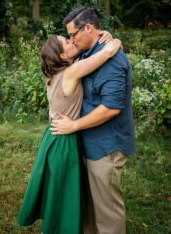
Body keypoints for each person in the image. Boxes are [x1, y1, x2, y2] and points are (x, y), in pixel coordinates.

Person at [17, 32, 121, 234]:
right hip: (63, 141)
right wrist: (115, 39)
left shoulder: (52, 75)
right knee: (65, 196)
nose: (71, 40)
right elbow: (109, 51)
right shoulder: (71, 72)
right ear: (63, 56)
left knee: (59, 192)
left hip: (52, 137)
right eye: (66, 41)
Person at [51, 6, 136, 234]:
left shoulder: (113, 62)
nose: (71, 40)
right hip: (88, 142)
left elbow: (110, 108)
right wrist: (107, 36)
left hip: (106, 146)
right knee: (89, 208)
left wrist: (74, 125)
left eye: (72, 35)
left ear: (88, 28)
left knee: (107, 213)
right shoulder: (90, 52)